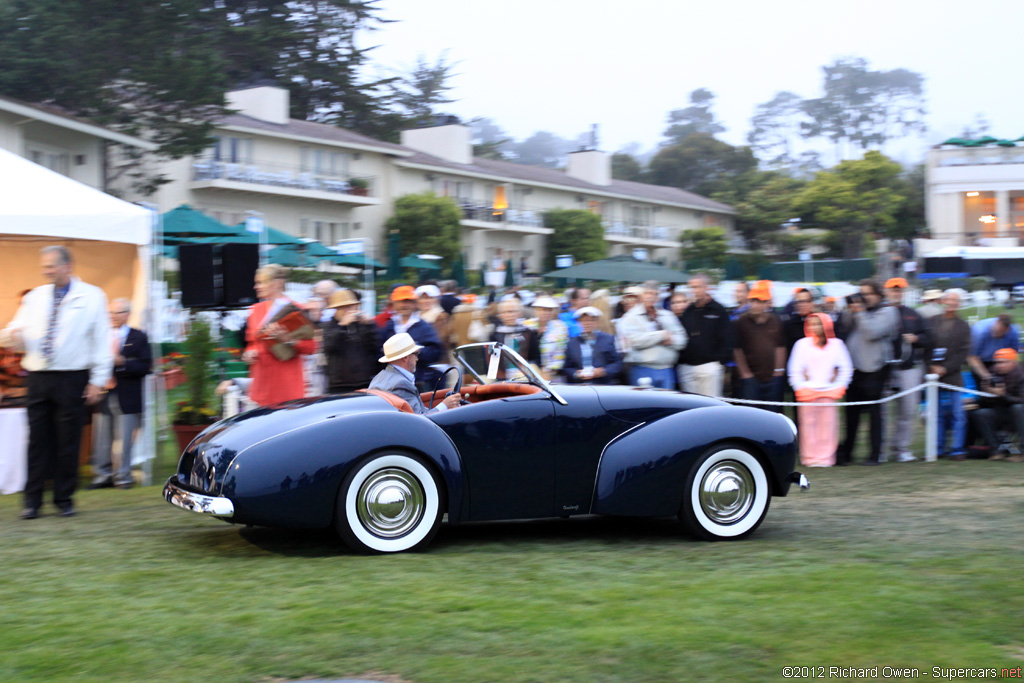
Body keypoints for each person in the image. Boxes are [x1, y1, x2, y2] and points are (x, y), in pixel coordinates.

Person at [0, 246, 112, 519]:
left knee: (68, 441)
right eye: (44, 266)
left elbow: (102, 341)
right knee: (36, 442)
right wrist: (12, 336)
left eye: (50, 265)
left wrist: (97, 380)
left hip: (72, 377)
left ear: (67, 266)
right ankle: (32, 502)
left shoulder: (92, 296)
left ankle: (64, 499)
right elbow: (17, 330)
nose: (45, 270)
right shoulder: (35, 297)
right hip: (38, 377)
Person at [90, 298, 151, 490]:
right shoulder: (102, 336)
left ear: (127, 314)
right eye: (111, 313)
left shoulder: (138, 336)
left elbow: (145, 365)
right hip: (104, 393)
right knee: (101, 438)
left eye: (117, 313)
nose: (113, 317)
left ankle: (123, 476)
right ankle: (103, 475)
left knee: (125, 439)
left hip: (128, 395)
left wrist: (123, 363)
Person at [836, 279, 899, 466]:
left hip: (875, 370)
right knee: (851, 415)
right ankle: (847, 454)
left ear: (878, 295)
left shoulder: (888, 311)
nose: (863, 298)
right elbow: (844, 328)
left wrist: (860, 312)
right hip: (853, 370)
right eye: (861, 293)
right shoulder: (858, 313)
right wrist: (850, 311)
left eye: (868, 294)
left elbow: (872, 332)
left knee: (875, 415)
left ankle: (875, 455)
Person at [243, 264, 316, 407]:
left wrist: (289, 340)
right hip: (260, 385)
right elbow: (253, 343)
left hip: (287, 386)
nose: (256, 287)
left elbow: (311, 347)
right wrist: (249, 353)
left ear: (277, 284)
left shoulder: (296, 310)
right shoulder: (255, 310)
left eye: (260, 282)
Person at [787, 312, 853, 467]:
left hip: (829, 393)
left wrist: (839, 386)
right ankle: (809, 458)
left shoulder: (837, 344)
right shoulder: (801, 344)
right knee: (808, 427)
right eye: (812, 324)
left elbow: (846, 368)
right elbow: (794, 369)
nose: (815, 327)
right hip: (807, 393)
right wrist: (800, 386)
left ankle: (826, 458)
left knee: (828, 426)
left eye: (818, 323)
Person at [881, 278, 929, 463]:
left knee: (908, 410)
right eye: (893, 290)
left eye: (899, 290)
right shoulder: (880, 312)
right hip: (883, 369)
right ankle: (881, 449)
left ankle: (902, 448)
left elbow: (928, 336)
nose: (896, 293)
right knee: (883, 412)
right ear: (886, 291)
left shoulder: (913, 314)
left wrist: (916, 339)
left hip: (908, 368)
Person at [925, 290, 972, 459]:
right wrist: (931, 366)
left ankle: (957, 449)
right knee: (935, 415)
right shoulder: (931, 322)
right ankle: (937, 449)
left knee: (958, 415)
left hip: (953, 376)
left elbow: (963, 352)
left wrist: (945, 368)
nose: (952, 303)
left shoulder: (963, 326)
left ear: (959, 304)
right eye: (949, 299)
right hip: (932, 376)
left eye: (955, 300)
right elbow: (926, 346)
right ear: (943, 301)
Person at [368, 332, 462, 414]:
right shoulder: (401, 383)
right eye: (416, 354)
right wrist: (445, 405)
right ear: (405, 358)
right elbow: (421, 419)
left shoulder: (379, 377)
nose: (417, 359)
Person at [619, 280, 686, 389]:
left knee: (668, 404)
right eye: (648, 293)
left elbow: (683, 340)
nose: (652, 297)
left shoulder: (667, 315)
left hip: (667, 370)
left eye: (655, 294)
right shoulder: (630, 317)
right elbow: (635, 341)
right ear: (641, 295)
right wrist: (661, 336)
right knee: (645, 404)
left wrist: (672, 340)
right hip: (641, 369)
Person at [733, 281, 787, 412]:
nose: (754, 305)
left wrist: (778, 371)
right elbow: (736, 349)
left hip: (772, 378)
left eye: (759, 301)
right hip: (750, 379)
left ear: (767, 303)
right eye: (752, 300)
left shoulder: (776, 321)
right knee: (751, 415)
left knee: (773, 414)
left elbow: (780, 346)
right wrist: (745, 373)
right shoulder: (741, 321)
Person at [379, 285, 443, 391]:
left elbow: (436, 352)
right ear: (393, 304)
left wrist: (417, 351)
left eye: (408, 301)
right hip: (392, 384)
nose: (404, 305)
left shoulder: (424, 327)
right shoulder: (388, 326)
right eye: (400, 301)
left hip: (418, 382)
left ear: (414, 304)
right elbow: (379, 353)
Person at [678, 273, 732, 397]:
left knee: (710, 407)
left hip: (709, 367)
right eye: (691, 287)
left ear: (706, 288)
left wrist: (718, 363)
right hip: (687, 368)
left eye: (697, 287)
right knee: (690, 409)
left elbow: (728, 338)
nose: (693, 291)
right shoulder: (688, 311)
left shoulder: (718, 310)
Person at [970, 348, 1024, 462]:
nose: (998, 365)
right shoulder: (991, 376)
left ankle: (1022, 452)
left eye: (1003, 362)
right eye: (996, 362)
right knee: (981, 413)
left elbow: (1021, 400)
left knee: (1018, 408)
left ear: (1014, 362)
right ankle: (995, 450)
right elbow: (985, 402)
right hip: (1001, 414)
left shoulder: (1021, 376)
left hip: (1018, 415)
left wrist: (1003, 395)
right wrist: (986, 393)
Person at [322, 289, 379, 394]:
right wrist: (342, 326)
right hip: (339, 385)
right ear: (336, 309)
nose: (347, 310)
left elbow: (375, 347)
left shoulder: (362, 324)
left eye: (350, 306)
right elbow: (329, 347)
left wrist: (369, 325)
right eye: (343, 307)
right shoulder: (329, 326)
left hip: (364, 381)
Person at [561, 307, 622, 385]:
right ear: (579, 323)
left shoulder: (608, 339)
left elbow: (617, 363)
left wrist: (603, 371)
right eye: (583, 320)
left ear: (597, 322)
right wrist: (576, 374)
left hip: (603, 385)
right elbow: (567, 367)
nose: (587, 323)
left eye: (591, 320)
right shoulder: (572, 343)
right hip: (580, 386)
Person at [968, 314, 1020, 384]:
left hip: (1001, 360)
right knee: (985, 385)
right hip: (980, 360)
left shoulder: (1013, 332)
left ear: (1007, 330)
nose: (997, 335)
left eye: (1001, 334)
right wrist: (987, 376)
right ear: (996, 323)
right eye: (996, 332)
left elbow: (1014, 356)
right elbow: (972, 357)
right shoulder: (978, 331)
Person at [526, 296, 568, 382]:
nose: (546, 313)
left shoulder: (560, 327)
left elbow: (561, 352)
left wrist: (551, 370)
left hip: (552, 374)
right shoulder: (527, 325)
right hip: (530, 371)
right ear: (535, 310)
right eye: (542, 309)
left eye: (549, 310)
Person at [491, 298, 539, 364]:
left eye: (512, 311)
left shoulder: (528, 333)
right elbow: (491, 359)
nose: (509, 315)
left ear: (519, 313)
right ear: (500, 315)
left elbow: (535, 357)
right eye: (504, 312)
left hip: (523, 372)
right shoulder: (495, 334)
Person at [415, 284, 451, 364]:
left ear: (437, 299)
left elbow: (442, 339)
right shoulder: (414, 317)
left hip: (438, 362)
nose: (425, 301)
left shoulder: (441, 316)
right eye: (422, 298)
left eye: (430, 298)